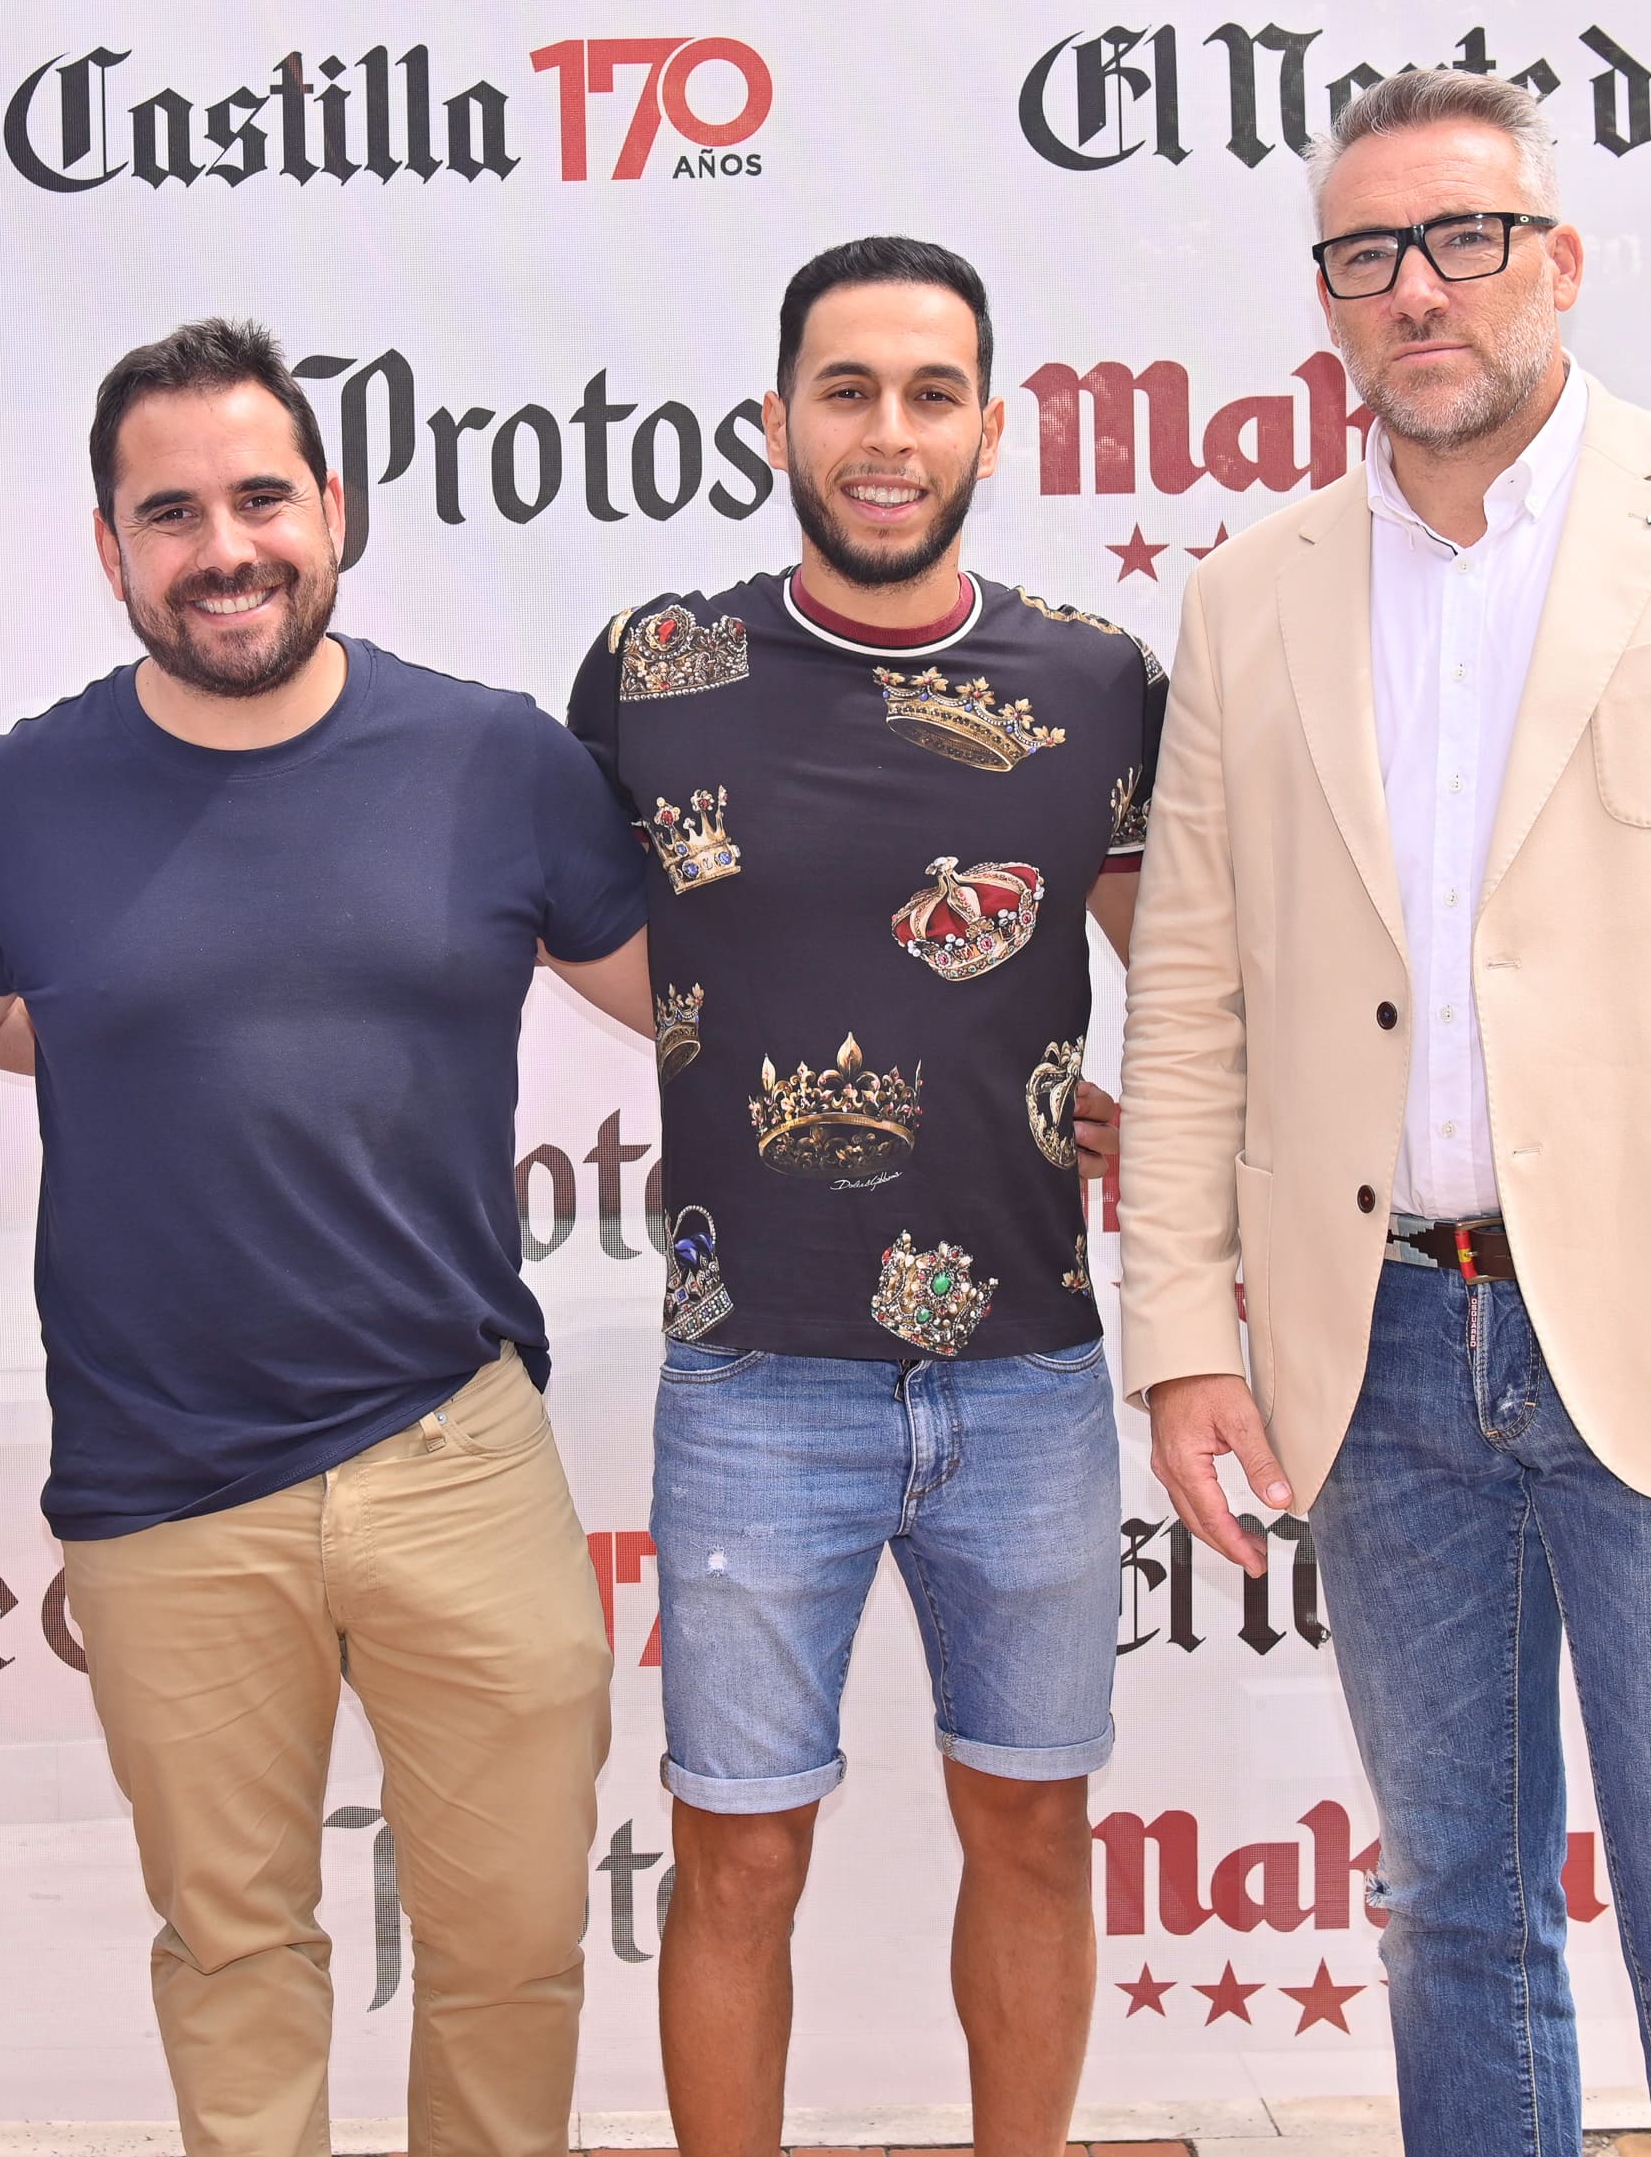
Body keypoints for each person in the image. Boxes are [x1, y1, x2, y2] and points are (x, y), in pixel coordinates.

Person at [1118, 69, 1651, 2154]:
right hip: (1381, 1354)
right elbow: (1194, 1002)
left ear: (1559, 265)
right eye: (1365, 256)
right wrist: (1187, 1338)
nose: (1418, 290)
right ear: (1324, 301)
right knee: (1449, 1926)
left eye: (1464, 240)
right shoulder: (1249, 591)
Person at [0, 319, 648, 2157]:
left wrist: (1019, 1095)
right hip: (166, 1491)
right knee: (234, 1953)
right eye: (172, 512)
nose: (223, 545)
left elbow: (708, 1016)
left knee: (516, 1947)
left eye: (259, 497)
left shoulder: (500, 764)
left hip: (458, 1451)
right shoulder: (11, 800)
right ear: (111, 549)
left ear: (337, 507)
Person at [564, 238, 1165, 2157]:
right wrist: (736, 1025)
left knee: (1038, 1821)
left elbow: (1197, 957)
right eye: (847, 392)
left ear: (992, 423)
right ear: (778, 422)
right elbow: (585, 926)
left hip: (1030, 1374)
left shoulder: (1093, 680)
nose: (887, 434)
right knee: (736, 1855)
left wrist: (1162, 1107)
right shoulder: (660, 671)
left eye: (929, 394)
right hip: (755, 1378)